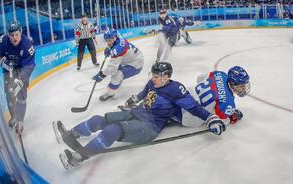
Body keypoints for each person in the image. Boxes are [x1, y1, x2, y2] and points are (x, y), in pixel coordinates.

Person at [53, 62, 226, 168]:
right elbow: (143, 93)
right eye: (153, 75)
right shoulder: (153, 82)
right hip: (136, 113)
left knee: (112, 130)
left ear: (167, 77)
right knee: (99, 119)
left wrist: (211, 118)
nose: (153, 78)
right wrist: (132, 100)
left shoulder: (176, 89)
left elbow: (194, 108)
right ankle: (71, 134)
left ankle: (79, 157)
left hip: (149, 127)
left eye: (157, 76)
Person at [0, 21, 35, 135]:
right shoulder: (2, 41)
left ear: (21, 32)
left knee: (21, 94)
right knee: (9, 93)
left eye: (17, 34)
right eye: (12, 35)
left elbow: (30, 66)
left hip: (22, 69)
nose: (14, 37)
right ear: (8, 34)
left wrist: (21, 81)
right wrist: (1, 60)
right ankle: (14, 117)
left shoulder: (27, 45)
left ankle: (20, 121)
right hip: (8, 69)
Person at [180, 66, 250, 127]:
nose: (244, 89)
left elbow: (199, 78)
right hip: (188, 115)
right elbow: (220, 121)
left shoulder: (219, 74)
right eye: (242, 86)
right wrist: (230, 118)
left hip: (183, 94)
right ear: (233, 83)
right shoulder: (229, 103)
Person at [92, 29, 144, 101]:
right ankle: (116, 83)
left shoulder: (117, 49)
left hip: (135, 65)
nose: (108, 42)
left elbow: (112, 69)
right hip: (132, 59)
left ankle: (111, 93)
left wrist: (102, 74)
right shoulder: (118, 37)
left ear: (115, 37)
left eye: (110, 40)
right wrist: (109, 48)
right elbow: (115, 44)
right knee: (115, 69)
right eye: (107, 40)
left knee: (117, 75)